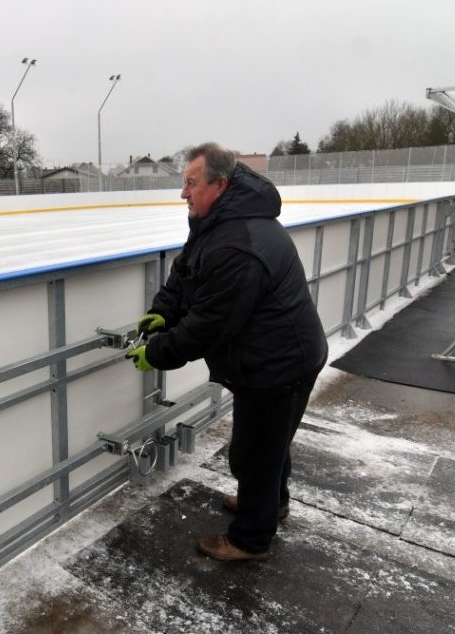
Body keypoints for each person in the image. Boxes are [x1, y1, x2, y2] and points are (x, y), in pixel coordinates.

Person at [125, 142, 328, 561]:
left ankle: (250, 540)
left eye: (192, 184)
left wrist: (158, 353)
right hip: (271, 357)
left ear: (220, 185)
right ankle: (272, 504)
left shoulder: (237, 243)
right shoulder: (215, 222)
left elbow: (209, 325)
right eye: (183, 182)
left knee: (255, 454)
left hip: (279, 364)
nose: (184, 193)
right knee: (269, 446)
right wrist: (163, 313)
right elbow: (186, 273)